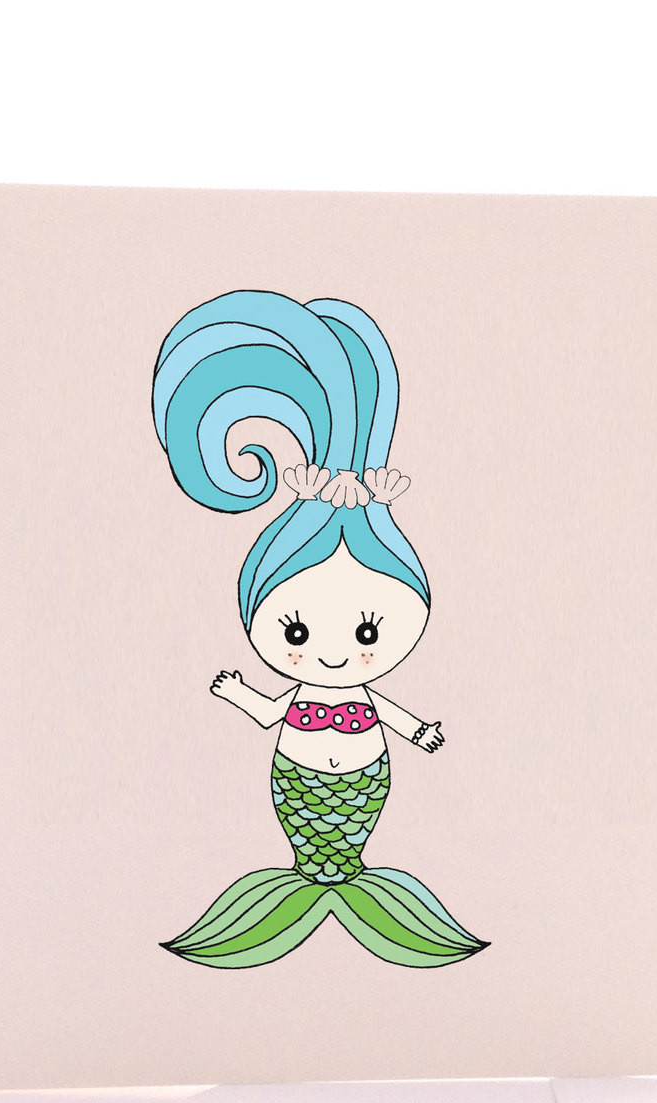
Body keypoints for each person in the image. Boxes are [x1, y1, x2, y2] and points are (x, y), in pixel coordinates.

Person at [152, 290, 486, 968]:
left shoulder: (357, 695)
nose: (334, 656)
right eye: (297, 634)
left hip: (361, 783)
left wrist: (418, 732)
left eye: (368, 635)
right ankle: (310, 873)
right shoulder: (307, 695)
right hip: (301, 780)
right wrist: (239, 693)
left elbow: (381, 710)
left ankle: (349, 872)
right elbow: (271, 711)